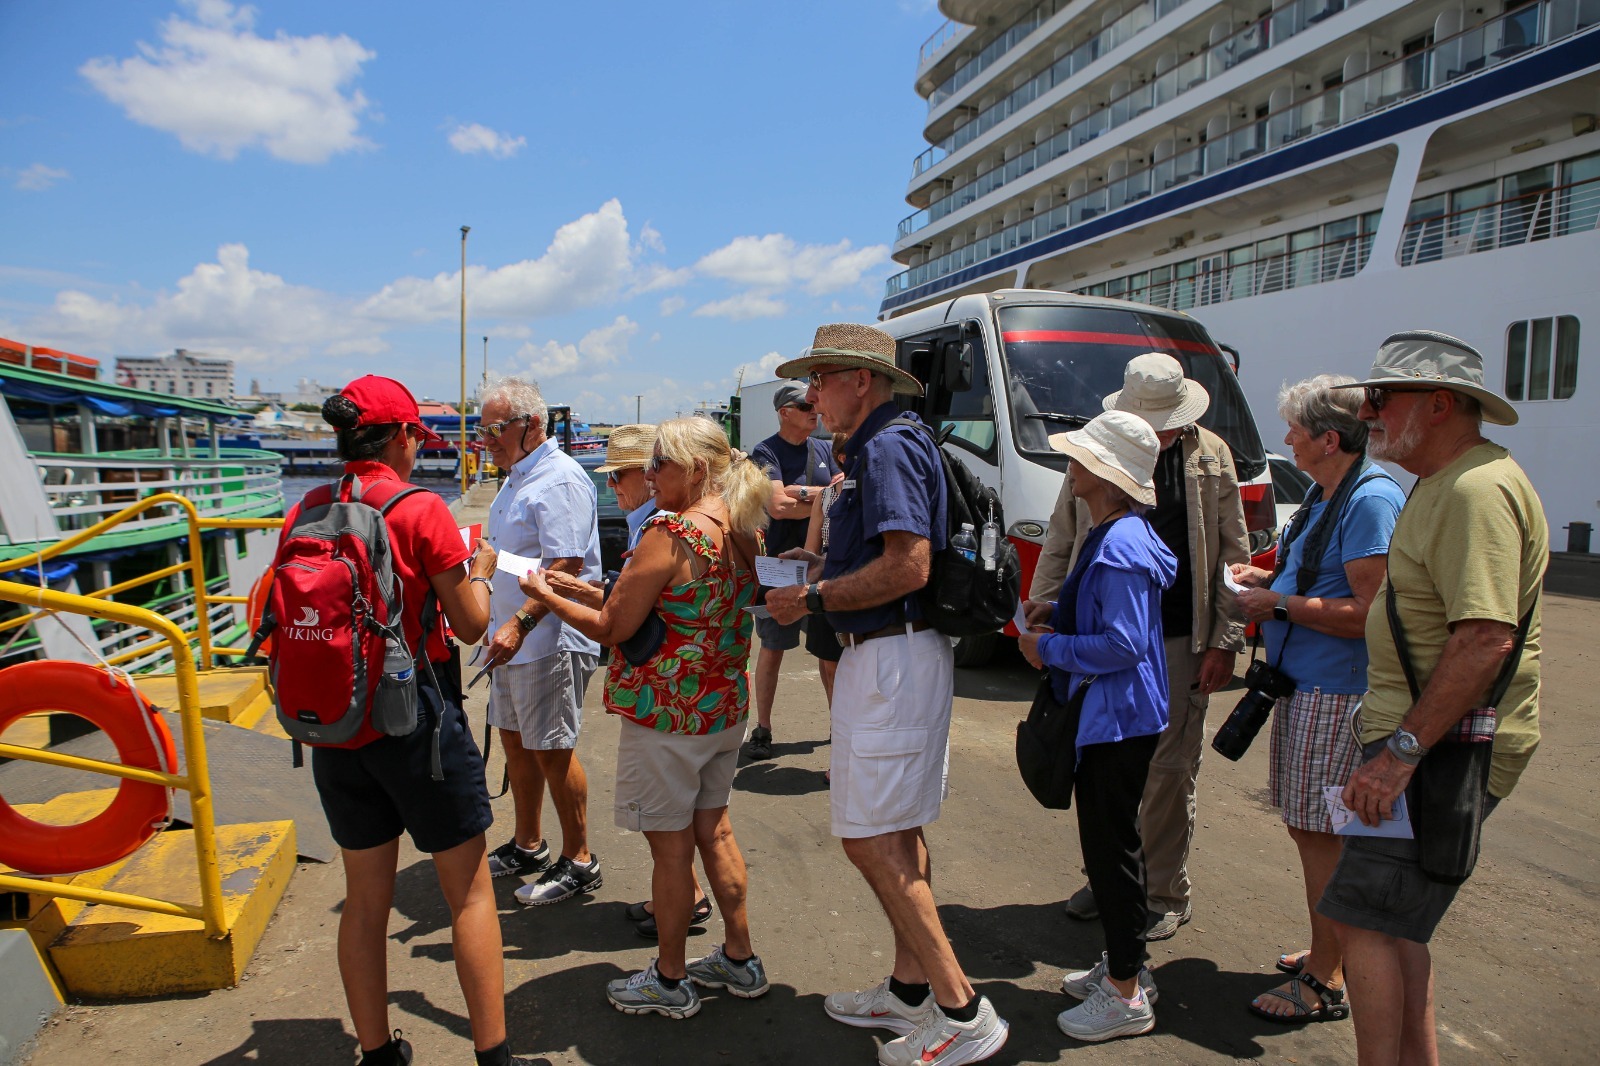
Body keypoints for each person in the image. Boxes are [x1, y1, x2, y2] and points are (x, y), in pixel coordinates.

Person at [766, 323, 1009, 1066]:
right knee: (895, 830)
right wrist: (818, 571)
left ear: (861, 381)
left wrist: (812, 598)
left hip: (891, 657)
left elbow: (910, 567)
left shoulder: (886, 447)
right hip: (895, 655)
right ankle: (909, 992)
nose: (812, 395)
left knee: (871, 837)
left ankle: (962, 1007)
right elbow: (890, 558)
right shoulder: (888, 443)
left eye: (822, 378)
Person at [1319, 331, 1547, 1065]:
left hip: (1434, 752)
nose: (1369, 411)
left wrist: (1399, 758)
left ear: (1440, 404)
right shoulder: (1445, 482)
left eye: (1382, 398)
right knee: (1393, 926)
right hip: (1423, 746)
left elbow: (1484, 638)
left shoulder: (1476, 490)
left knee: (1366, 926)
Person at [520, 417, 771, 1019]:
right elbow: (672, 607)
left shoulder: (669, 531)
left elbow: (614, 628)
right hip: (719, 708)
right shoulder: (740, 526)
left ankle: (670, 977)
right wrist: (580, 590)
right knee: (716, 832)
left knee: (670, 852)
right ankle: (740, 960)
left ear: (696, 469)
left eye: (660, 463)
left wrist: (544, 593)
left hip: (666, 715)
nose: (649, 474)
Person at [297, 376, 512, 1066]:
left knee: (365, 901)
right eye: (418, 435)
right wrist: (478, 568)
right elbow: (471, 625)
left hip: (334, 727)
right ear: (400, 436)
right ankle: (494, 1058)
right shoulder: (420, 510)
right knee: (470, 895)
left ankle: (378, 1054)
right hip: (415, 723)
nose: (420, 448)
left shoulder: (308, 505)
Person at [1023, 351, 1248, 941]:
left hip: (1180, 636)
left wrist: (1225, 640)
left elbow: (1233, 553)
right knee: (1105, 767)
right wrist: (1045, 610)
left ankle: (1163, 891)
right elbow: (1061, 535)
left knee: (1169, 771)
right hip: (1103, 630)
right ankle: (1114, 880)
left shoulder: (1210, 455)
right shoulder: (1102, 454)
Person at [1229, 376, 1404, 1024]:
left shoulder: (1370, 500)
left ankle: (1327, 977)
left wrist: (1275, 601)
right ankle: (1332, 948)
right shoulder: (1337, 493)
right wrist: (1269, 580)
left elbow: (1370, 613)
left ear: (1329, 438)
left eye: (1295, 430)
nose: (1286, 440)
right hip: (1313, 687)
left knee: (1323, 834)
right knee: (1317, 830)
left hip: (1336, 693)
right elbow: (1323, 581)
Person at [1019, 411, 1176, 1043]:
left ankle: (1126, 990)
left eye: (1081, 458)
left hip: (1117, 719)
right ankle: (1124, 967)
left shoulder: (1117, 542)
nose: (1070, 466)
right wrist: (1057, 608)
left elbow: (1122, 643)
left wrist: (1048, 649)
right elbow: (1119, 623)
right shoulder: (1120, 532)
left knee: (1111, 854)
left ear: (1104, 475)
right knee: (1115, 849)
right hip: (1121, 715)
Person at [477, 378, 605, 906]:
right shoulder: (517, 476)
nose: (487, 439)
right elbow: (524, 557)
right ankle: (528, 844)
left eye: (495, 428)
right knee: (514, 742)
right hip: (511, 641)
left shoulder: (559, 480)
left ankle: (579, 860)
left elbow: (566, 564)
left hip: (546, 640)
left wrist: (518, 624)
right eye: (482, 429)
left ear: (532, 425)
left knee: (552, 748)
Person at [587, 424, 714, 939]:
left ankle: (675, 947)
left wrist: (552, 600)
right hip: (698, 694)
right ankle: (708, 922)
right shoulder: (672, 524)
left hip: (665, 695)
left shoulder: (663, 529)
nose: (615, 485)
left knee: (665, 820)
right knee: (695, 823)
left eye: (622, 475)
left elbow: (619, 625)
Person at [746, 381, 840, 760]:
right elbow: (778, 507)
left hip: (819, 567)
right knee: (772, 648)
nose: (813, 409)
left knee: (828, 653)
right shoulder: (765, 451)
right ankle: (763, 728)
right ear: (784, 412)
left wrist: (799, 494)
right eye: (804, 406)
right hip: (779, 568)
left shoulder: (823, 448)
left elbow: (841, 493)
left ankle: (842, 729)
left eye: (813, 403)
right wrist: (820, 496)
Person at [801, 432, 849, 708]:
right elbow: (811, 549)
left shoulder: (870, 489)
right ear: (842, 457)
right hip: (827, 582)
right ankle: (837, 719)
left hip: (858, 582)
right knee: (828, 661)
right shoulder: (827, 496)